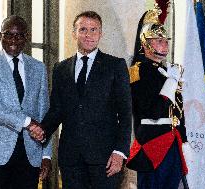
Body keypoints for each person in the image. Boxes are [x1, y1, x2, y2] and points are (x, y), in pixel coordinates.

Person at [29, 11, 132, 189]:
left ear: (101, 33)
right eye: (83, 29)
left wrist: (120, 152)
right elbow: (57, 110)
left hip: (105, 158)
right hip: (71, 159)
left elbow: (125, 113)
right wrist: (42, 130)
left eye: (94, 30)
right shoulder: (61, 68)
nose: (89, 35)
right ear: (74, 33)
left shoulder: (115, 66)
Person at [0, 15, 52, 189]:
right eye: (8, 34)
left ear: (27, 37)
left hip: (30, 155)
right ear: (0, 36)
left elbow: (44, 113)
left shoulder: (38, 68)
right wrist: (27, 122)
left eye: (19, 35)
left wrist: (46, 155)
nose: (13, 40)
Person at [126, 6, 190, 189]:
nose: (165, 44)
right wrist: (170, 82)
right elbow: (151, 111)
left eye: (165, 41)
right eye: (159, 41)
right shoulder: (139, 70)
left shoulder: (164, 71)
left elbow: (177, 110)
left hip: (172, 141)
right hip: (152, 144)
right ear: (146, 44)